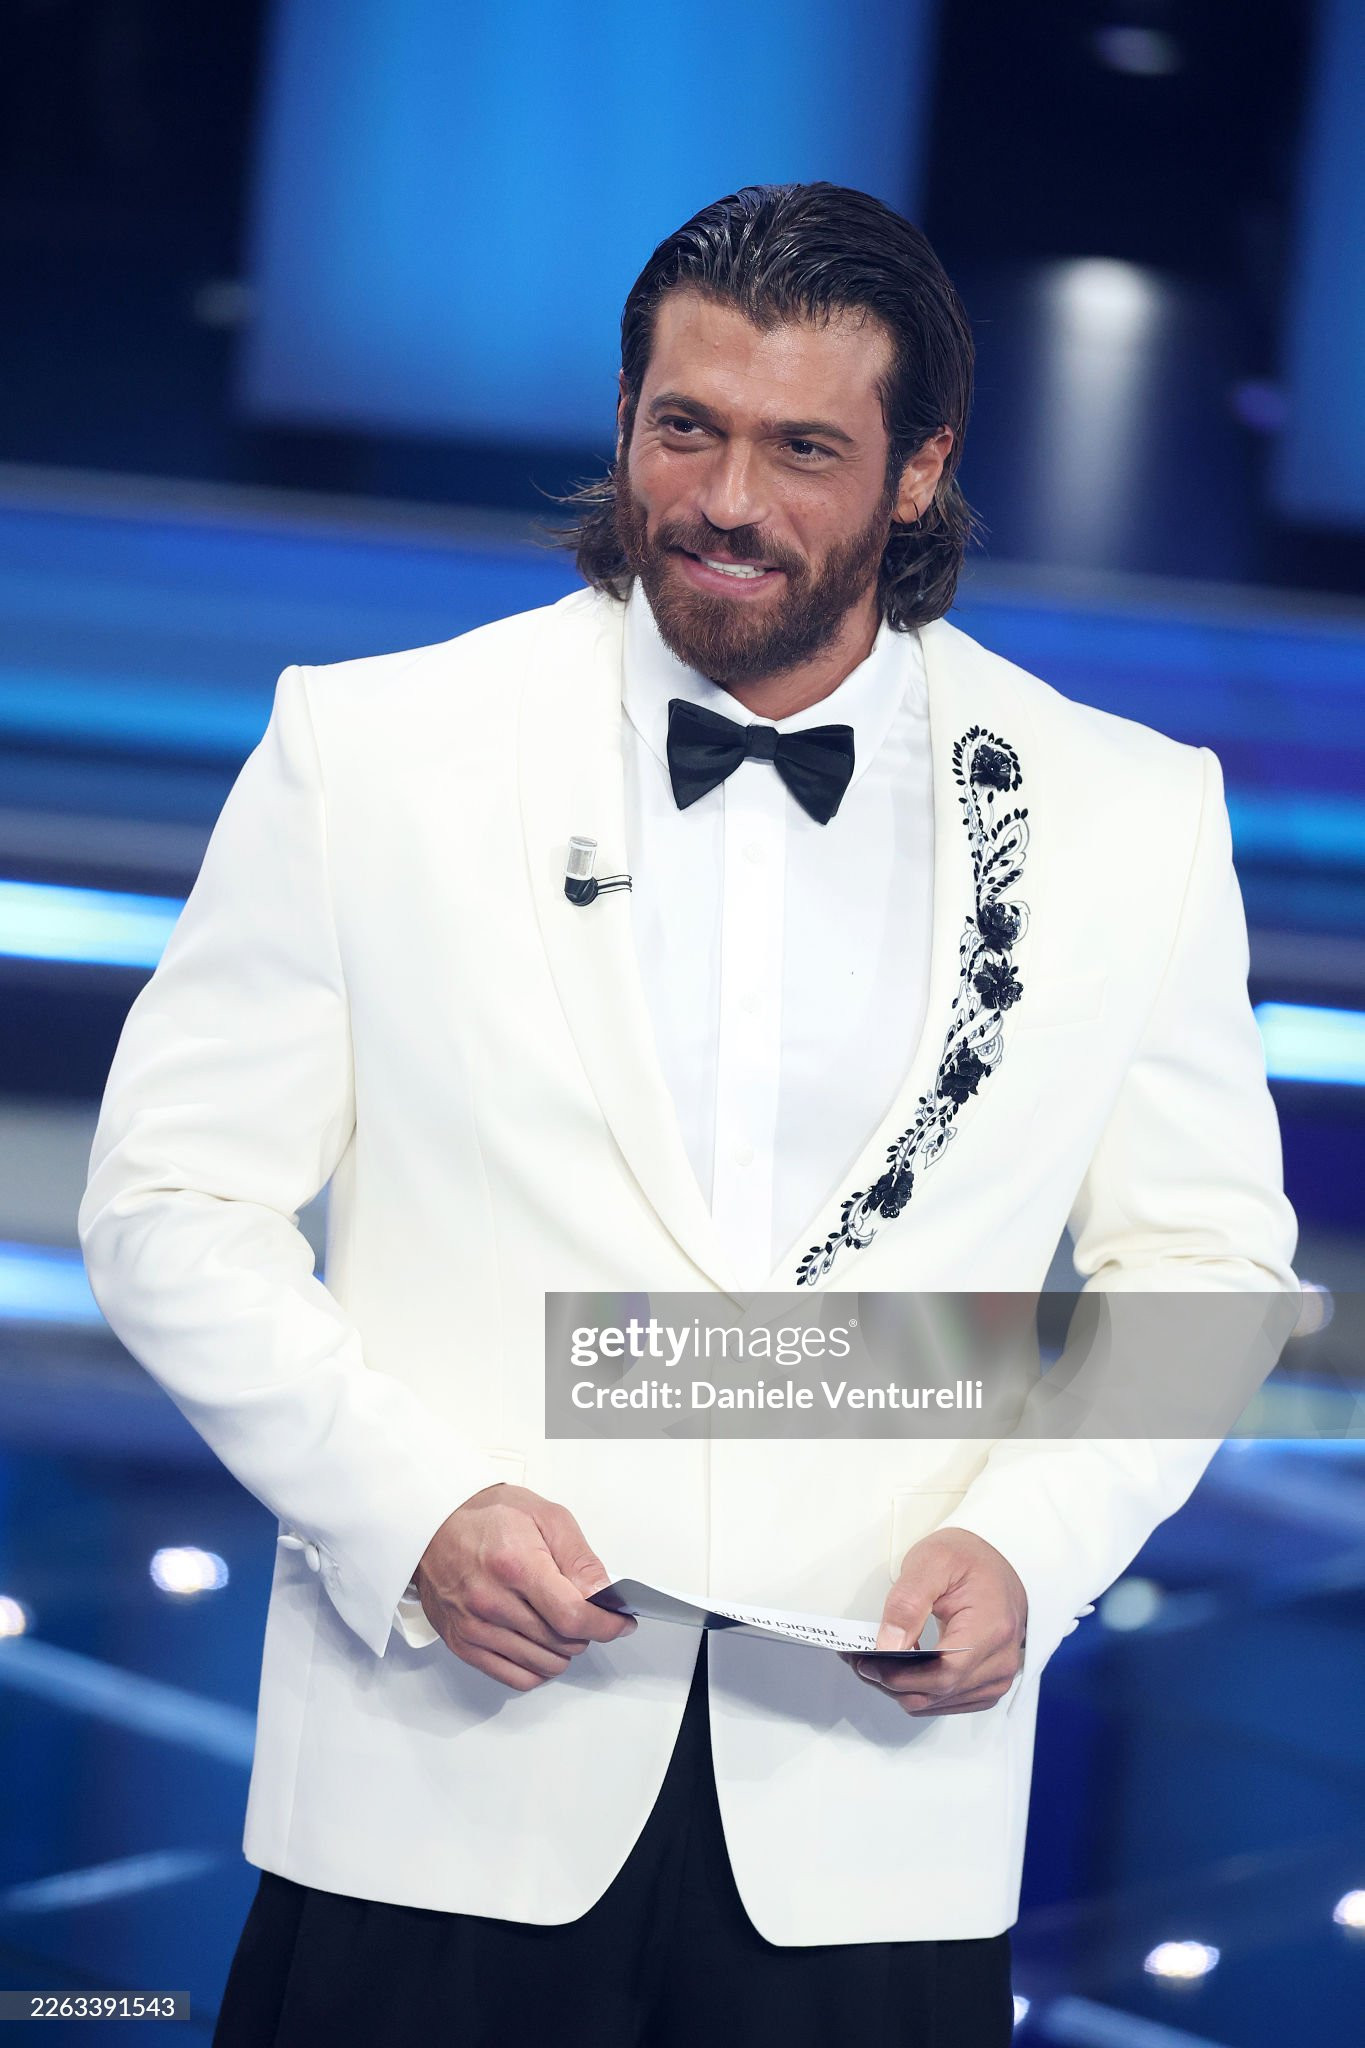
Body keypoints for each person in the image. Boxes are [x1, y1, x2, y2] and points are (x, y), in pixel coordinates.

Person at [77, 183, 1297, 2047]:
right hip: (438, 1789)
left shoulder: (1124, 813)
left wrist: (1036, 1552)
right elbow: (171, 1201)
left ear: (919, 471)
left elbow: (1204, 1269)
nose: (725, 500)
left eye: (802, 448)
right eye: (685, 428)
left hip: (874, 1826)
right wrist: (407, 1510)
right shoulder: (378, 747)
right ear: (625, 419)